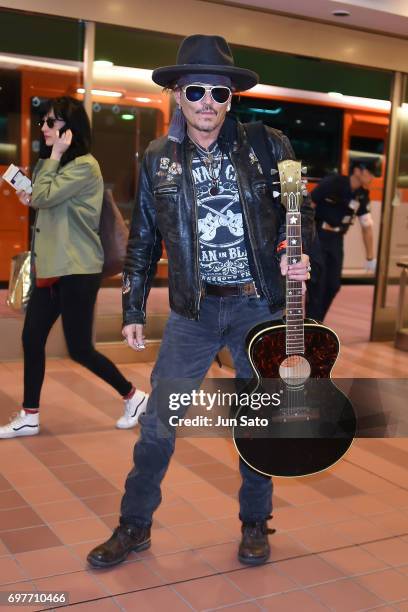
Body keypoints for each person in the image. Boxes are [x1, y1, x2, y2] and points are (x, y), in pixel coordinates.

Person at [87, 35, 314, 569]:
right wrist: (134, 308)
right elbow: (143, 239)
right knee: (159, 425)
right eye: (196, 90)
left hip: (258, 307)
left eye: (219, 91)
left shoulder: (267, 144)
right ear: (177, 95)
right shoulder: (158, 160)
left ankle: (256, 521)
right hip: (193, 312)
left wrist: (298, 256)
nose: (208, 101)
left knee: (255, 423)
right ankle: (133, 526)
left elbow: (294, 218)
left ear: (232, 96)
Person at [0, 97, 147, 439]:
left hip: (78, 270)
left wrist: (42, 181)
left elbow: (46, 197)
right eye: (44, 122)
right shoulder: (55, 166)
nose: (44, 128)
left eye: (51, 123)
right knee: (32, 338)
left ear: (69, 129)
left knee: (80, 348)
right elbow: (43, 199)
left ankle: (134, 396)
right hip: (50, 268)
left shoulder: (85, 166)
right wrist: (31, 193)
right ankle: (29, 415)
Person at [306, 161, 376, 322]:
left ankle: (316, 323)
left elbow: (367, 226)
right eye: (370, 172)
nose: (372, 177)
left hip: (336, 240)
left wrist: (371, 257)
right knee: (317, 284)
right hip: (318, 236)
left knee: (333, 285)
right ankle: (312, 326)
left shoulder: (362, 195)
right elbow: (310, 204)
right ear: (358, 171)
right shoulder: (334, 182)